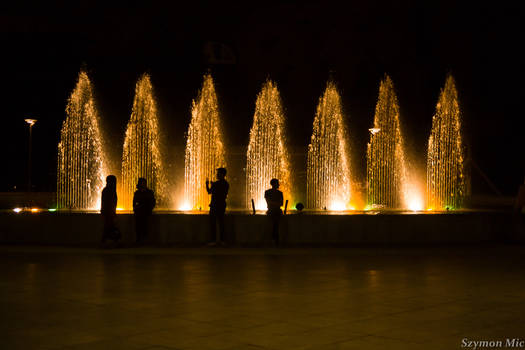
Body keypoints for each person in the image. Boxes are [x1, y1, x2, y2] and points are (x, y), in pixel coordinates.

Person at [206, 168, 229, 246]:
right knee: (221, 222)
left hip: (215, 205)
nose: (217, 175)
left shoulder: (216, 184)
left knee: (213, 223)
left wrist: (207, 184)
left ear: (222, 174)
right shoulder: (226, 184)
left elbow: (209, 192)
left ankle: (213, 240)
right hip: (222, 204)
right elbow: (223, 194)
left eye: (218, 173)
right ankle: (222, 240)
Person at [133, 178, 155, 244]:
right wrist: (136, 209)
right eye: (140, 183)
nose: (141, 185)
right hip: (139, 213)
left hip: (146, 213)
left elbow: (152, 202)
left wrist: (148, 208)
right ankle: (139, 240)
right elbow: (134, 203)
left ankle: (144, 240)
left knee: (145, 227)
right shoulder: (137, 193)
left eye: (142, 183)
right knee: (139, 227)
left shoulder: (149, 192)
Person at [100, 175, 120, 246]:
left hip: (108, 212)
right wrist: (112, 213)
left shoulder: (107, 190)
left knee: (108, 227)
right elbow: (110, 202)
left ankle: (106, 241)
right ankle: (108, 241)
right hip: (109, 212)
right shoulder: (109, 190)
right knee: (109, 227)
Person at [265, 178, 284, 246]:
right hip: (275, 211)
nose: (279, 185)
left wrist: (272, 203)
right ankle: (275, 240)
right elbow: (280, 203)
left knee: (274, 226)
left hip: (272, 211)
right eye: (277, 183)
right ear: (274, 184)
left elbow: (270, 203)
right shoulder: (279, 193)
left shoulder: (267, 192)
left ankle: (273, 240)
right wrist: (276, 204)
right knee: (275, 226)